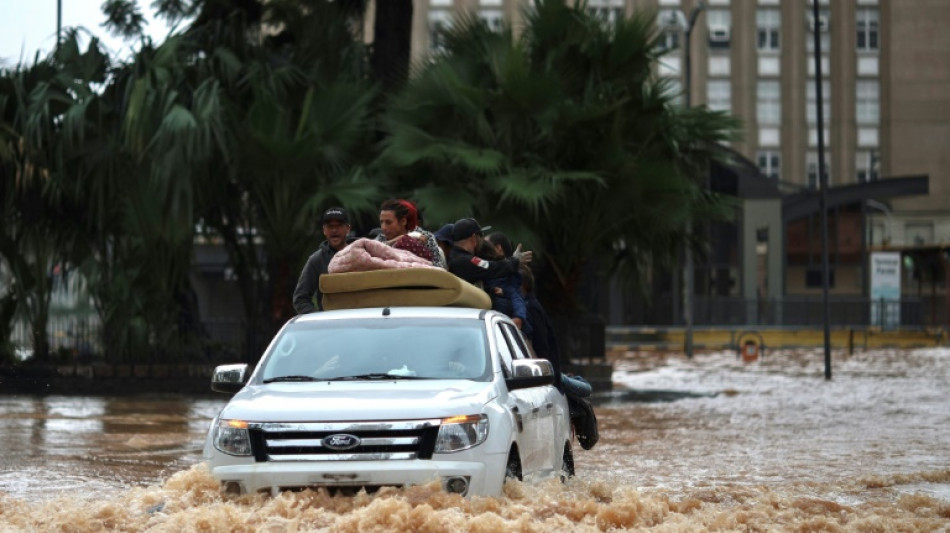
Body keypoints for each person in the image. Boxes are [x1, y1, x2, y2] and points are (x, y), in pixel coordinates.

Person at [292, 207, 351, 314]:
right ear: (324, 230)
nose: (334, 230)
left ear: (348, 228)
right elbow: (300, 299)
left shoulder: (362, 254)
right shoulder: (316, 260)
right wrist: (320, 318)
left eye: (338, 226)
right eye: (330, 226)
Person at [447, 218, 532, 286]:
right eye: (480, 237)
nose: (482, 241)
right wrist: (515, 260)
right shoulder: (467, 261)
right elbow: (492, 267)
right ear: (473, 238)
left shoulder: (455, 257)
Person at [376, 198, 445, 268]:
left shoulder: (425, 237)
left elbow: (438, 266)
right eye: (381, 222)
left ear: (403, 221)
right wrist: (400, 239)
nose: (383, 227)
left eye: (388, 222)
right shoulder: (381, 238)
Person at [480, 232, 528, 329]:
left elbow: (516, 296)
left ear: (498, 248)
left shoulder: (507, 275)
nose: (481, 249)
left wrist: (519, 318)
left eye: (486, 245)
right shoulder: (485, 269)